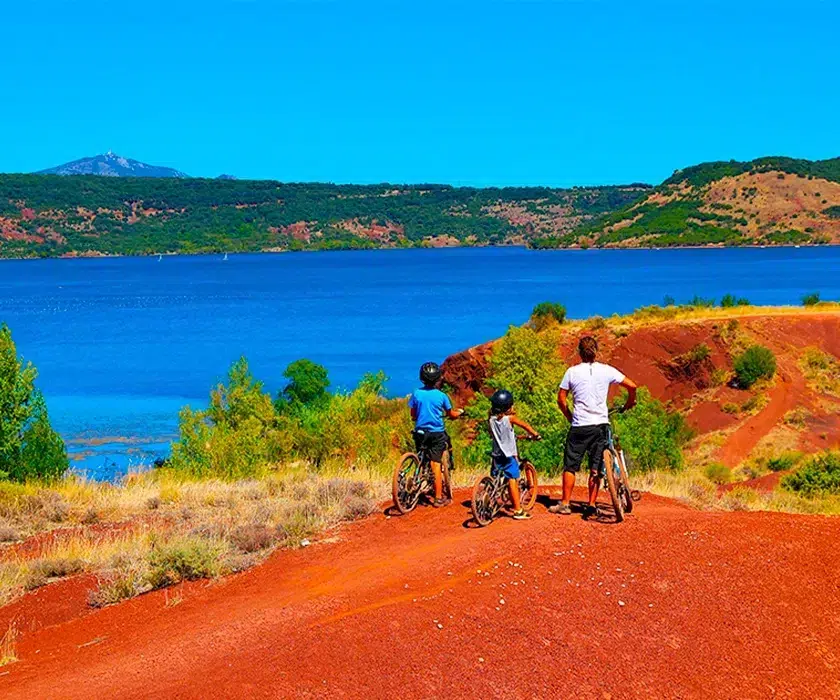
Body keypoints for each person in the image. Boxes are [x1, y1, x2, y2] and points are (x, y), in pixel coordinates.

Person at [550, 336, 637, 517]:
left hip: (580, 425)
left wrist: (569, 416)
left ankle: (565, 503)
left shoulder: (571, 372)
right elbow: (632, 386)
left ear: (579, 353)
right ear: (596, 351)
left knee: (571, 465)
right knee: (596, 466)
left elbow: (561, 399)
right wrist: (630, 402)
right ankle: (591, 504)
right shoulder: (606, 370)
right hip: (600, 425)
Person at [408, 362, 464, 507]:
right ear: (438, 378)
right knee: (436, 464)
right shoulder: (442, 396)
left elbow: (413, 414)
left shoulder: (416, 393)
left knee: (421, 454)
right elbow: (450, 414)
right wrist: (458, 413)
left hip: (420, 432)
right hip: (436, 434)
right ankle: (438, 498)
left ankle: (418, 477)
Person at [488, 389, 541, 521]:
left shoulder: (490, 419)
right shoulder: (510, 419)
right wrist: (535, 434)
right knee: (513, 479)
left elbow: (494, 434)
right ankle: (518, 510)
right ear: (508, 406)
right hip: (508, 455)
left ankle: (490, 500)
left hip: (496, 454)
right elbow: (525, 425)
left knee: (495, 478)